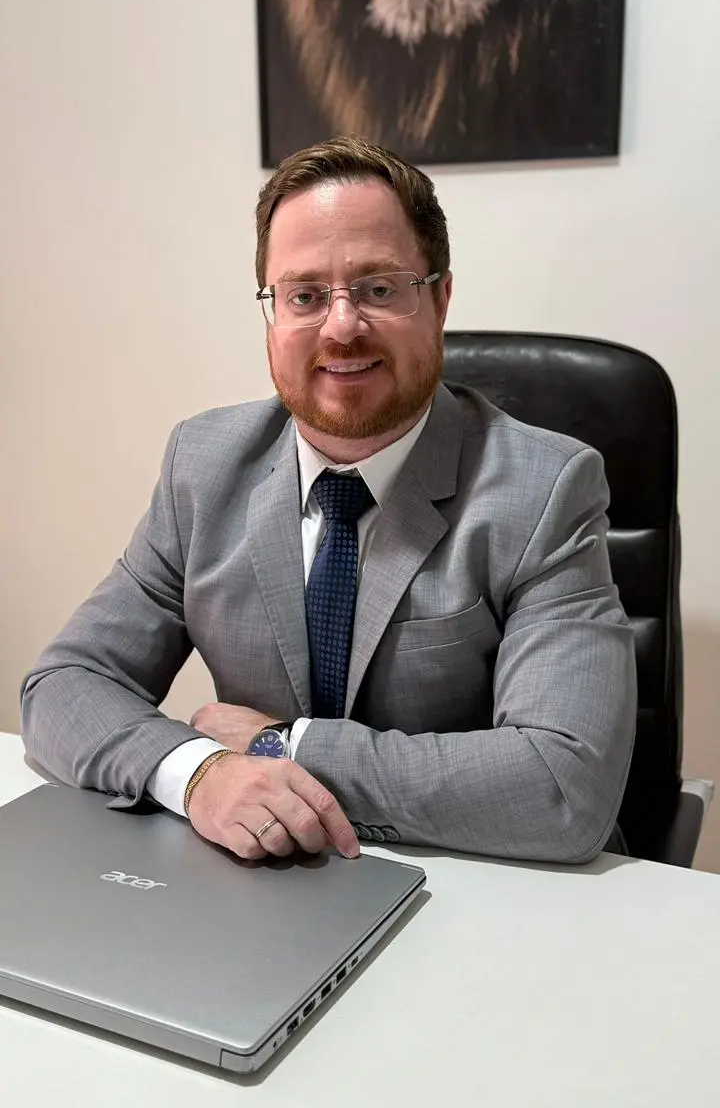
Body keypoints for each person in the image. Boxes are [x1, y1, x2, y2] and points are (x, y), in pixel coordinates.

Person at [21, 136, 636, 865]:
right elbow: (63, 686)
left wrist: (284, 745)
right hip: (264, 891)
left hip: (487, 887)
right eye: (306, 295)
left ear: (439, 299)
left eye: (380, 288)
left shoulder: (545, 489)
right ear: (271, 315)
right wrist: (199, 774)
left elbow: (563, 790)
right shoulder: (204, 466)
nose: (342, 327)